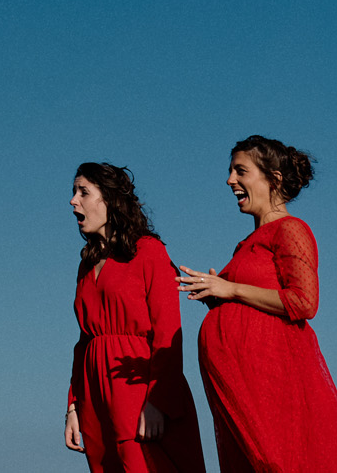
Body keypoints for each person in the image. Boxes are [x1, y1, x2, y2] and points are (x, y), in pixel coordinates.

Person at [177, 136, 337, 473]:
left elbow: (304, 301)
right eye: (230, 172)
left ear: (274, 179)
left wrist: (231, 290)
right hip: (242, 391)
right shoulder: (246, 244)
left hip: (279, 390)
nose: (230, 180)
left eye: (241, 171)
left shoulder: (290, 230)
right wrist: (217, 298)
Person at [63, 163, 205, 473]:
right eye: (74, 192)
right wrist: (73, 405)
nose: (73, 200)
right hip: (93, 392)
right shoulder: (87, 265)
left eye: (83, 192)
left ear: (111, 200)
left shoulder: (148, 252)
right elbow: (83, 341)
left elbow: (169, 331)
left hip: (138, 387)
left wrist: (158, 401)